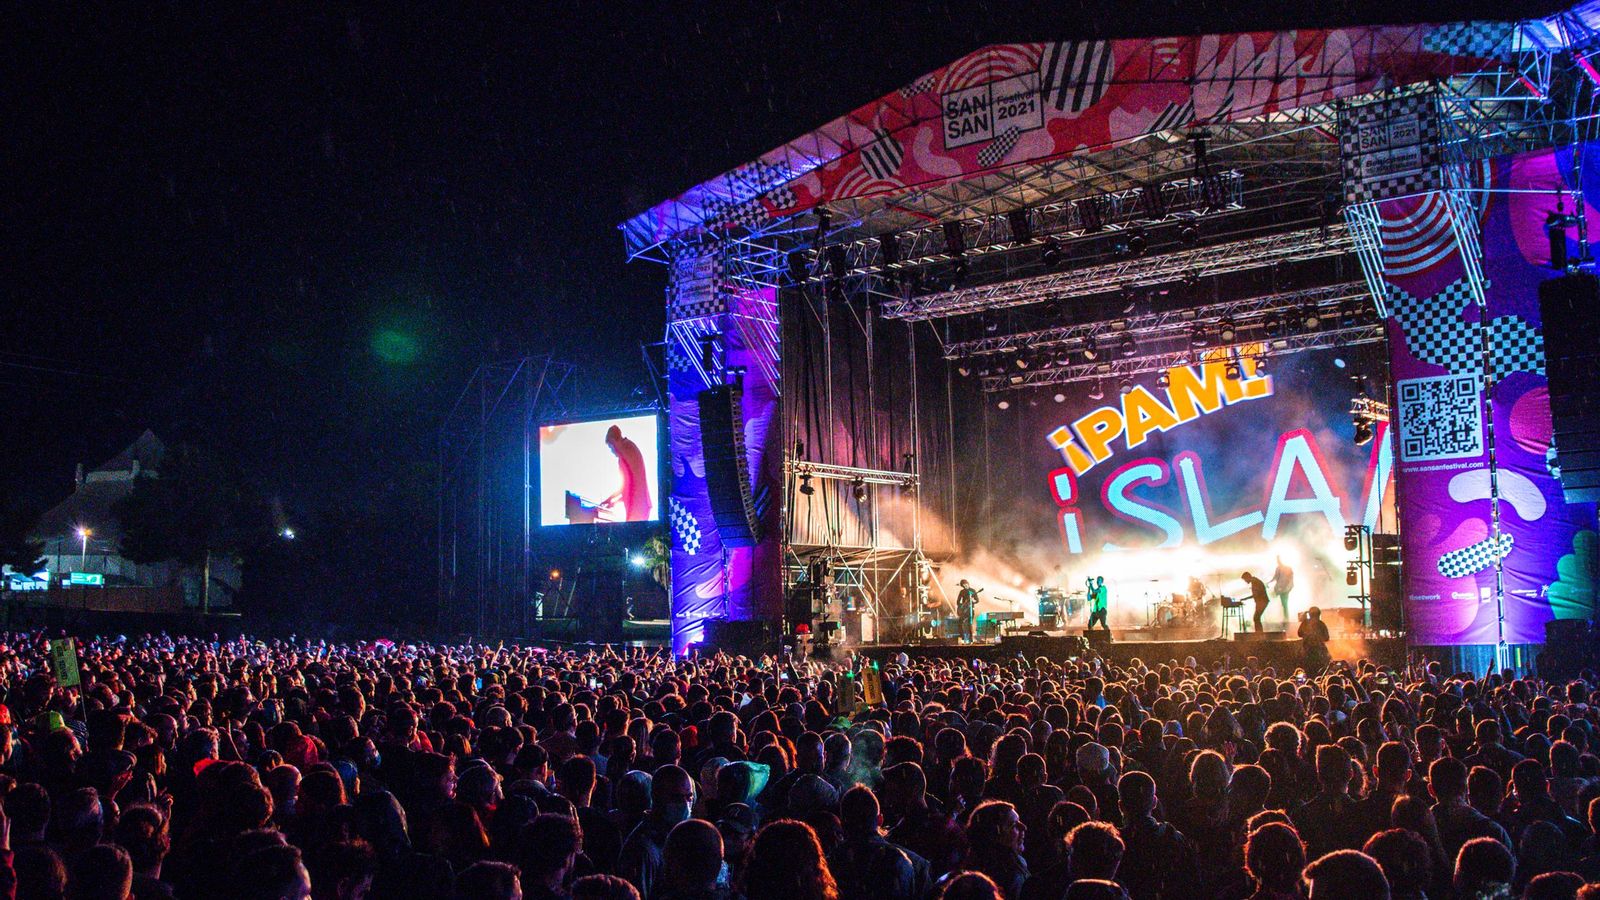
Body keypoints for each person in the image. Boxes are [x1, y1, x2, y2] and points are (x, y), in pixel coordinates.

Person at [601, 425, 652, 523]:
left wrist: (611, 501)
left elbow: (627, 486)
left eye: (611, 446)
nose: (612, 451)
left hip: (638, 505)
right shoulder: (628, 448)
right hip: (639, 504)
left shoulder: (627, 448)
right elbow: (628, 487)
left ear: (614, 440)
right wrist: (611, 501)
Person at [1269, 556, 1294, 625]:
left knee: (1284, 603)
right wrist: (1269, 582)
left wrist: (1288, 587)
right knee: (1283, 603)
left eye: (1279, 560)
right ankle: (1284, 617)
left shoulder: (1288, 568)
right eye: (1277, 560)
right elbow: (1275, 577)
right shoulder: (1278, 568)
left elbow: (1291, 578)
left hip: (1285, 588)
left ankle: (1286, 618)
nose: (1278, 561)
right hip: (1280, 588)